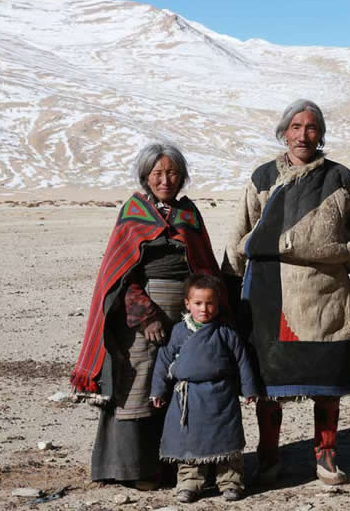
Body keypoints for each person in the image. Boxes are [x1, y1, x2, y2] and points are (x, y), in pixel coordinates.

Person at [222, 99, 350, 485]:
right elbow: (240, 235)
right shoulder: (262, 177)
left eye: (311, 127)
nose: (303, 134)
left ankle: (326, 456)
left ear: (321, 134)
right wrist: (231, 292)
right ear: (284, 132)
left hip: (326, 295)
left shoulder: (340, 178)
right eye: (295, 126)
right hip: (270, 297)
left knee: (327, 383)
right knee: (270, 385)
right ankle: (269, 456)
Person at [70, 142, 223, 490]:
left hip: (187, 317)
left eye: (172, 173)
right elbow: (121, 276)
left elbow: (202, 266)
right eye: (157, 173)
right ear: (145, 177)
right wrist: (146, 315)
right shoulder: (134, 211)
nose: (165, 180)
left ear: (182, 177)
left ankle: (175, 465)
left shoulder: (189, 214)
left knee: (177, 382)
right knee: (138, 383)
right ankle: (134, 468)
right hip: (141, 320)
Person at [150, 274, 258, 503]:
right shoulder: (179, 331)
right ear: (187, 304)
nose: (204, 309)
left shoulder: (226, 332)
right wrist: (158, 391)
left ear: (218, 303)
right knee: (189, 442)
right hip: (188, 398)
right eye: (198, 303)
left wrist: (249, 390)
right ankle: (190, 483)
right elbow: (163, 360)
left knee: (226, 440)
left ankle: (230, 482)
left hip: (221, 396)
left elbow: (242, 362)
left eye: (210, 303)